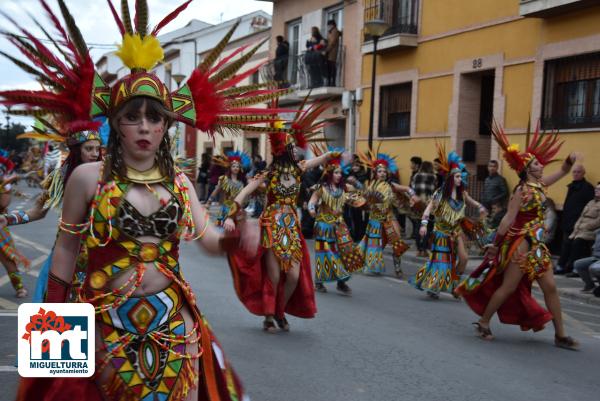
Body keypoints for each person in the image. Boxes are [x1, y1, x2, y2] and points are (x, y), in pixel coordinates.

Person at [4, 2, 295, 398]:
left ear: (165, 127)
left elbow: (206, 237)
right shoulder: (87, 177)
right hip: (102, 320)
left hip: (173, 318)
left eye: (154, 118)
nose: (144, 126)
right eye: (132, 116)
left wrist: (231, 239)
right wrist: (54, 322)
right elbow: (66, 249)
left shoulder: (180, 183)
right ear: (115, 123)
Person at [457, 123, 579, 350]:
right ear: (527, 168)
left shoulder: (541, 186)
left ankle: (560, 335)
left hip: (539, 246)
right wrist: (495, 245)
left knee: (550, 287)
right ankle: (484, 322)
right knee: (509, 287)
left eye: (540, 163)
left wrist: (570, 160)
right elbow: (508, 219)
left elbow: (563, 171)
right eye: (536, 163)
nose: (541, 166)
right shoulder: (521, 190)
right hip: (521, 244)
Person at [226, 102, 332, 333]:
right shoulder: (268, 174)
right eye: (291, 148)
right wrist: (231, 215)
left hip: (291, 229)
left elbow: (319, 160)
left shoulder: (299, 169)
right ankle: (268, 316)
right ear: (281, 151)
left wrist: (333, 154)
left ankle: (279, 311)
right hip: (272, 227)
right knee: (273, 276)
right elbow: (244, 192)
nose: (296, 151)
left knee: (293, 276)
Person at [33, 130, 103, 303]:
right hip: (68, 247)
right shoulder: (60, 176)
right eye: (89, 149)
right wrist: (9, 218)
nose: (95, 154)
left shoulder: (107, 175)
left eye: (97, 149)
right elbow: (37, 212)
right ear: (77, 151)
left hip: (100, 248)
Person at [410, 146, 486, 299]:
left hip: (456, 232)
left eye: (460, 176)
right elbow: (428, 209)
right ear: (451, 178)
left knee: (464, 259)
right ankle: (434, 286)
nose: (460, 179)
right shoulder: (440, 194)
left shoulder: (462, 193)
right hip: (441, 233)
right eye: (457, 177)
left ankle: (453, 284)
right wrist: (424, 225)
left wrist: (480, 207)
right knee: (443, 262)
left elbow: (471, 202)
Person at [308, 146, 365, 295]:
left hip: (340, 225)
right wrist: (312, 209)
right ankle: (319, 282)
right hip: (323, 225)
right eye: (336, 172)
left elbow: (361, 195)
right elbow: (312, 201)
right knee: (324, 254)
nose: (339, 175)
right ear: (329, 173)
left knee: (346, 253)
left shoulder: (345, 188)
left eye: (340, 172)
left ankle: (341, 282)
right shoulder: (321, 187)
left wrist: (359, 189)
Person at [356, 150, 416, 276]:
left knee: (397, 242)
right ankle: (369, 264)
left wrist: (412, 195)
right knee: (375, 243)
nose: (382, 173)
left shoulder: (391, 185)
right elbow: (364, 202)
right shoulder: (371, 186)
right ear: (375, 173)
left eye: (384, 171)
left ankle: (398, 268)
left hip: (389, 218)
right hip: (375, 219)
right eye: (380, 171)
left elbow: (407, 188)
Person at [556, 164, 594, 274]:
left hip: (579, 222)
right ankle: (562, 266)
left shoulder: (588, 188)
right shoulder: (571, 186)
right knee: (566, 245)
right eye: (574, 172)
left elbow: (588, 207)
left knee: (575, 247)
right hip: (567, 220)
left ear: (583, 173)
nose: (576, 174)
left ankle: (572, 267)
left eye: (578, 172)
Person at [563, 182, 600, 278]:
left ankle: (575, 269)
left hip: (591, 231)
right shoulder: (591, 202)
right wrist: (577, 226)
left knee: (577, 243)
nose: (596, 190)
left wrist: (586, 226)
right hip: (580, 229)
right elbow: (581, 216)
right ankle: (564, 266)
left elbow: (598, 221)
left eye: (599, 189)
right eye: (596, 189)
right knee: (568, 241)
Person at [207, 150, 251, 226]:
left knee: (237, 232)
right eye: (233, 166)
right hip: (226, 209)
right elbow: (216, 190)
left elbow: (244, 197)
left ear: (240, 168)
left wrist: (245, 204)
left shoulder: (241, 183)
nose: (235, 168)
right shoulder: (224, 179)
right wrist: (208, 203)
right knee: (223, 231)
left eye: (237, 166)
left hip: (238, 210)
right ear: (230, 168)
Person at [411, 161, 437, 257]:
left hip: (418, 203)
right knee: (428, 226)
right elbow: (435, 190)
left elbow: (413, 188)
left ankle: (419, 249)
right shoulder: (433, 177)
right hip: (428, 203)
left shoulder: (416, 176)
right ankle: (425, 249)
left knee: (418, 226)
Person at [574, 229, 600, 294]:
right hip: (596, 257)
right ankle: (590, 286)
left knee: (594, 268)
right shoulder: (598, 231)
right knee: (579, 264)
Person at [324, 20, 341, 86]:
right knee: (329, 67)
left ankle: (332, 82)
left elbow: (332, 42)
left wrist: (326, 50)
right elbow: (329, 41)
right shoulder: (330, 32)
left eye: (329, 25)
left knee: (332, 66)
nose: (328, 27)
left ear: (332, 25)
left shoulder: (335, 31)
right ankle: (329, 81)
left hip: (333, 52)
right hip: (330, 52)